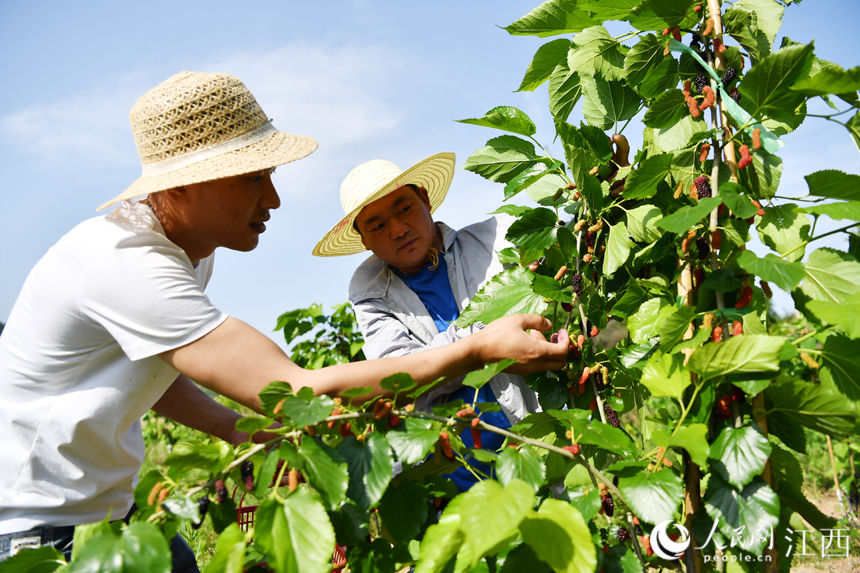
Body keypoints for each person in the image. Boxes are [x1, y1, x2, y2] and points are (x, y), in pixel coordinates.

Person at [0, 72, 568, 567]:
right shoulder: (127, 266)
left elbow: (152, 367)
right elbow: (292, 390)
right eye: (252, 178)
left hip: (112, 516)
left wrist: (233, 428)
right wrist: (477, 349)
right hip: (44, 534)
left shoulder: (188, 255)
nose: (273, 198)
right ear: (183, 186)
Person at [313, 154, 542, 492]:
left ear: (424, 198)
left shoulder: (496, 241)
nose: (398, 229)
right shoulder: (371, 295)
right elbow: (405, 380)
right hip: (453, 485)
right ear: (364, 240)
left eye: (403, 208)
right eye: (376, 226)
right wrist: (487, 334)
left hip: (538, 455)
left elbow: (567, 248)